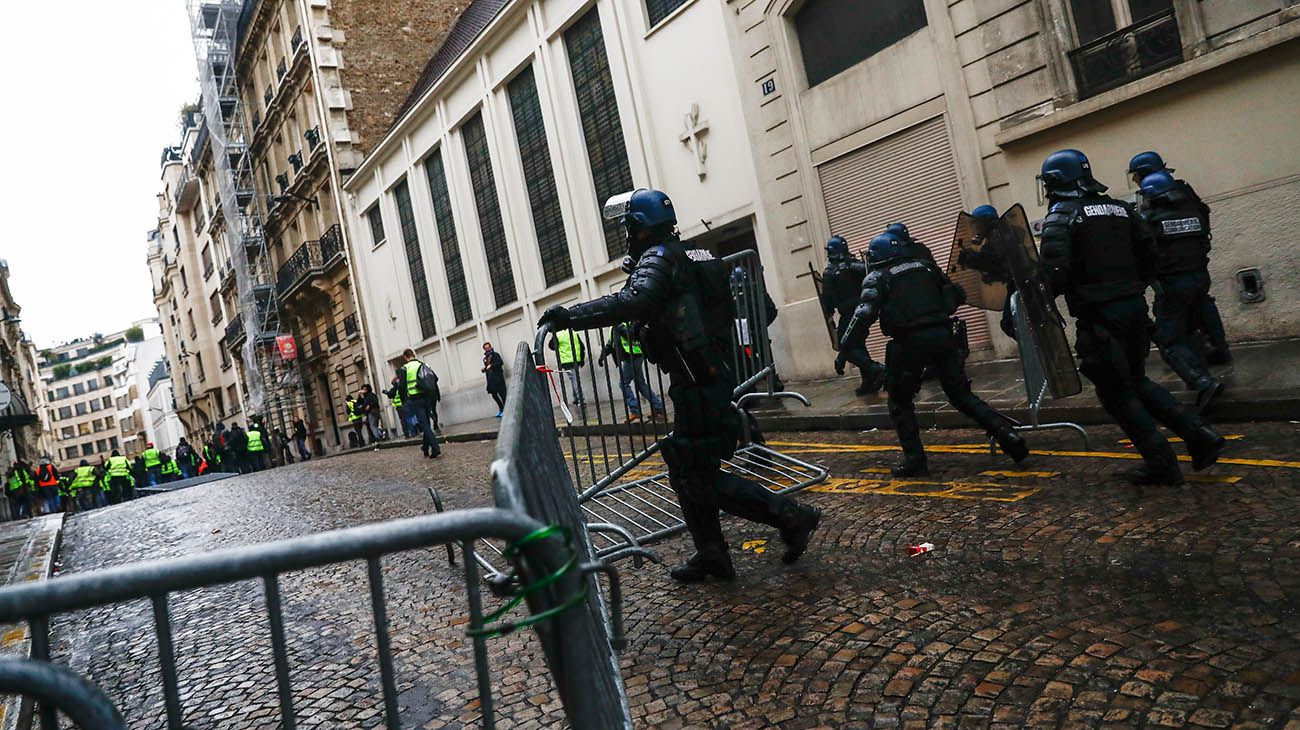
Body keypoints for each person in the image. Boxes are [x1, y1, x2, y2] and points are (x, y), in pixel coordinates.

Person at [539, 187, 821, 583]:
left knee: (695, 475)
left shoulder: (660, 257)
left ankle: (792, 516)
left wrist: (571, 315)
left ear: (639, 227)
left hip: (697, 380)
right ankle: (712, 554)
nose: (626, 234)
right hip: (705, 374)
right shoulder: (698, 254)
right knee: (687, 467)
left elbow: (635, 300)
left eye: (628, 227)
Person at [1038, 149, 1224, 485]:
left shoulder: (1062, 216)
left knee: (1116, 393)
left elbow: (1054, 272)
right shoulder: (1121, 209)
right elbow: (1149, 252)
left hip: (1099, 318)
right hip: (1134, 310)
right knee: (1137, 381)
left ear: (1055, 182)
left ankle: (1161, 463)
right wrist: (1132, 288)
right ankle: (1200, 436)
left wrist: (1040, 302)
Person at [838, 231, 1029, 476]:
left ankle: (915, 460)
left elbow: (863, 316)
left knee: (900, 402)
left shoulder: (878, 277)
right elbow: (955, 295)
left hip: (909, 343)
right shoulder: (926, 267)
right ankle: (1007, 435)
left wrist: (845, 347)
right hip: (943, 336)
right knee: (962, 396)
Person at [1127, 151, 1231, 365]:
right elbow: (1203, 219)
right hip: (1197, 265)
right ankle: (1218, 350)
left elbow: (1146, 239)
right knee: (1203, 304)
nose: (1135, 180)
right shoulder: (1183, 191)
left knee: (1171, 321)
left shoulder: (1153, 202)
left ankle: (1194, 371)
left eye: (1136, 175)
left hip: (1171, 272)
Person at [1136, 170, 1226, 411]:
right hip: (1200, 277)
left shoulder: (1151, 219)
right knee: (1193, 330)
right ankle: (1212, 363)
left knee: (1169, 341)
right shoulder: (1193, 211)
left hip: (1173, 285)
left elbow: (1144, 252)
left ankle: (1202, 383)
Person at [819, 236, 884, 396]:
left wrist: (829, 314)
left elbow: (828, 299)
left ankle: (877, 369)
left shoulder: (830, 272)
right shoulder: (858, 265)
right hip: (866, 311)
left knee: (845, 345)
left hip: (849, 314)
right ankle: (869, 383)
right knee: (858, 345)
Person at [598, 321, 666, 424]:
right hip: (631, 357)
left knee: (624, 384)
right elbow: (611, 343)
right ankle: (658, 407)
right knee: (641, 384)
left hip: (632, 356)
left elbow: (632, 335)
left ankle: (635, 410)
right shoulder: (615, 327)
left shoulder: (626, 323)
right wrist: (602, 355)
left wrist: (620, 327)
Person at [396, 348, 442, 458]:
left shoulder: (404, 368)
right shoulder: (424, 364)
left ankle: (435, 447)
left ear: (405, 357)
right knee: (426, 422)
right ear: (414, 355)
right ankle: (425, 447)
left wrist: (404, 401)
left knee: (424, 424)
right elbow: (435, 378)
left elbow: (401, 387)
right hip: (428, 397)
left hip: (415, 399)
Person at [548, 329, 587, 407]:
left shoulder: (558, 335)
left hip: (567, 361)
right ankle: (576, 399)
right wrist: (582, 360)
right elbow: (582, 346)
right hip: (576, 360)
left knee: (574, 380)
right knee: (574, 379)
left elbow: (551, 346)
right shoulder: (574, 332)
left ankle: (581, 400)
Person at [482, 343, 507, 417]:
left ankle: (506, 409)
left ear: (491, 347)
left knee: (502, 394)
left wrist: (492, 365)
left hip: (498, 378)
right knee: (494, 395)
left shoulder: (495, 355)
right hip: (491, 379)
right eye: (486, 348)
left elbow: (500, 362)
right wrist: (484, 369)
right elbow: (487, 368)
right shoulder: (485, 358)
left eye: (488, 347)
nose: (488, 349)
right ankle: (501, 409)